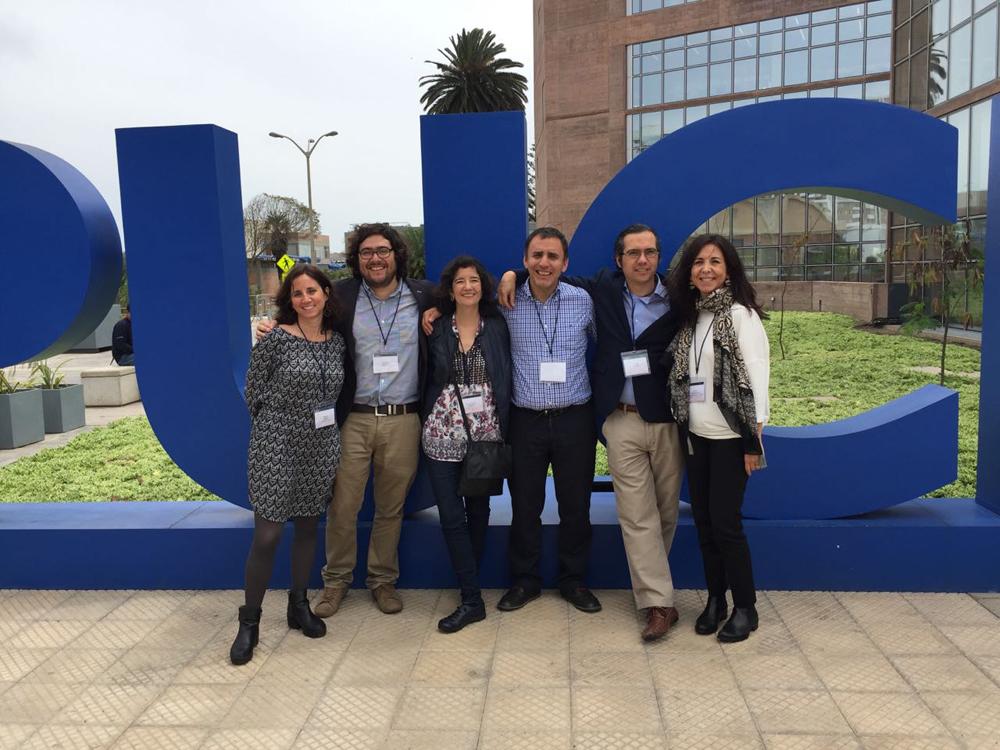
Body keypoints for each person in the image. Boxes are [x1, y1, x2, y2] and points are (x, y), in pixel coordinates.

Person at [497, 223, 683, 641]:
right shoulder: (506, 300)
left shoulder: (586, 299)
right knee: (525, 503)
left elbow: (610, 344)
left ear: (566, 263)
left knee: (575, 504)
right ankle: (524, 580)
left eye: (553, 257)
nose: (544, 263)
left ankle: (573, 581)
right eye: (536, 256)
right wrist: (508, 276)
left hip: (576, 416)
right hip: (525, 418)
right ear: (526, 261)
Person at [256, 224, 433, 618]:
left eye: (382, 250)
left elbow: (470, 295)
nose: (375, 258)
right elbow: (307, 318)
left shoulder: (424, 295)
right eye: (366, 252)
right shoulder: (344, 295)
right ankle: (335, 582)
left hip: (404, 418)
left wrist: (510, 276)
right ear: (357, 259)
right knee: (343, 506)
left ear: (396, 254)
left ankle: (382, 580)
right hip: (353, 418)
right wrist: (272, 325)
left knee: (391, 507)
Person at [232, 264, 346, 665]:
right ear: (289, 301)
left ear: (326, 293)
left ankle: (298, 606)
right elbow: (253, 392)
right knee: (267, 535)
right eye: (297, 294)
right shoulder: (275, 339)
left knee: (308, 528)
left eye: (312, 291)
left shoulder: (337, 342)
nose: (306, 299)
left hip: (321, 445)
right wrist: (277, 425)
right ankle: (250, 622)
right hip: (276, 443)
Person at [667, 234, 770, 643]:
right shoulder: (691, 315)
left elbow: (757, 378)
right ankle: (716, 600)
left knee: (727, 525)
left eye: (715, 261)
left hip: (731, 437)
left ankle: (746, 607)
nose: (706, 269)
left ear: (728, 269)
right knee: (706, 524)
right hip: (696, 434)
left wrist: (752, 440)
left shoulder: (742, 316)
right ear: (689, 272)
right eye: (698, 262)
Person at [422, 256, 511, 633]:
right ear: (450, 288)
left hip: (484, 434)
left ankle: (468, 589)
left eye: (474, 280)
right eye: (460, 281)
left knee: (478, 512)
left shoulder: (497, 327)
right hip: (441, 432)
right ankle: (472, 598)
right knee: (451, 516)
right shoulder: (437, 327)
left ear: (483, 286)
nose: (468, 286)